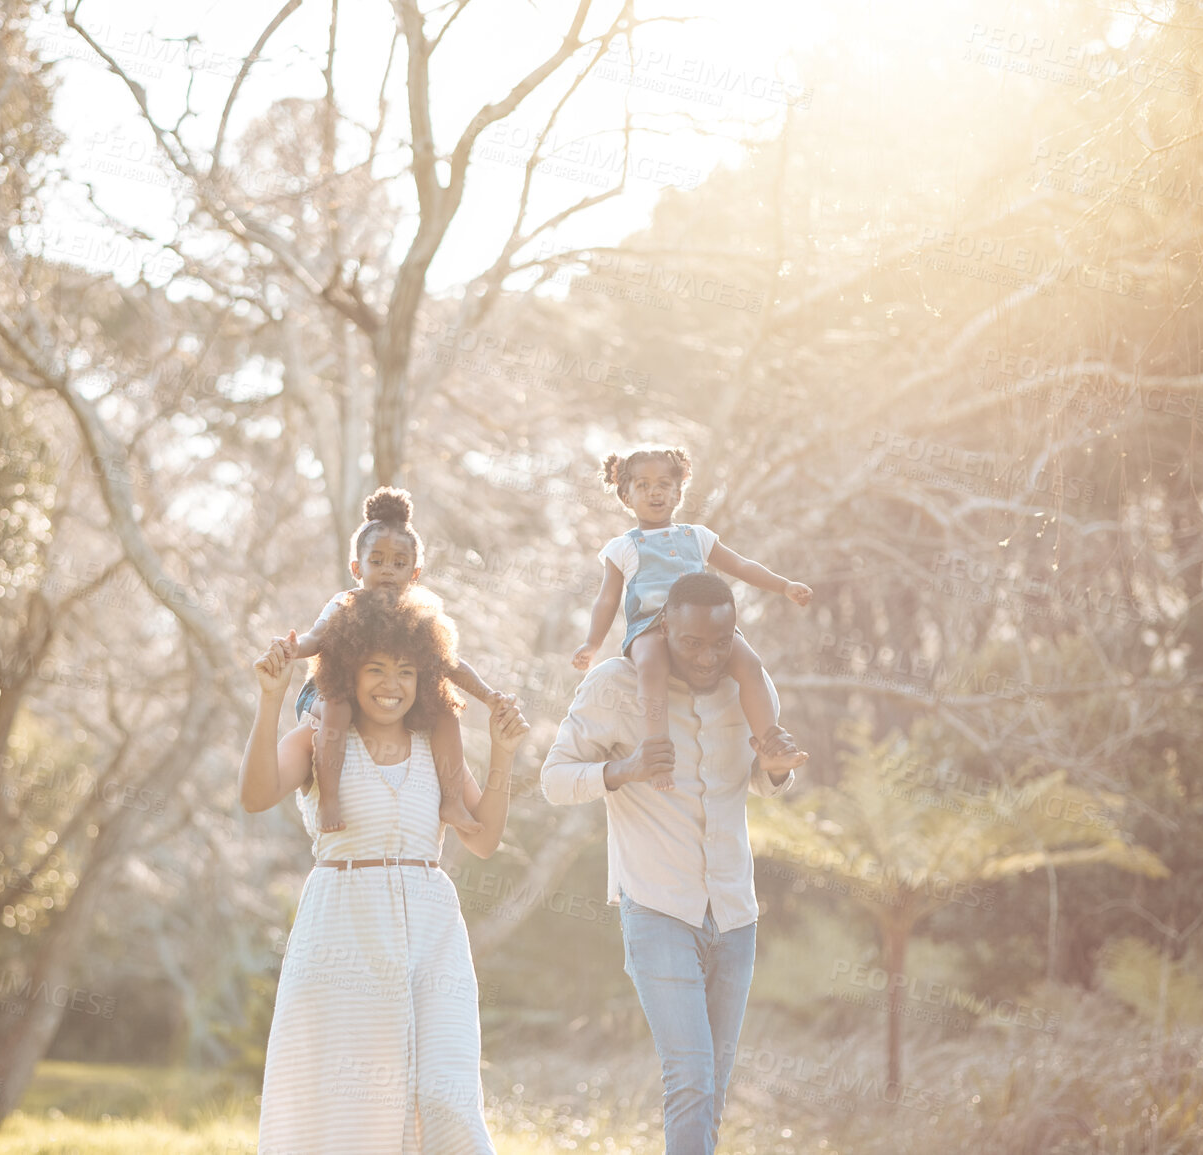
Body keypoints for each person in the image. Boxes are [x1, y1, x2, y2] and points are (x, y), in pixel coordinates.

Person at [242, 587, 529, 1154]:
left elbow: (484, 839)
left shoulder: (436, 748)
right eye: (375, 668)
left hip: (432, 937)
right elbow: (255, 796)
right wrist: (270, 701)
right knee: (350, 1108)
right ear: (348, 669)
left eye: (406, 670)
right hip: (342, 934)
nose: (391, 684)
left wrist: (503, 755)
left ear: (424, 677)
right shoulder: (318, 740)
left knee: (445, 1094)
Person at [543, 572, 807, 1155]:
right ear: (664, 626)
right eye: (692, 643)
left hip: (736, 914)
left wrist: (779, 767)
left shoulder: (751, 687)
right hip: (658, 908)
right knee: (689, 1079)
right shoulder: (613, 687)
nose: (709, 657)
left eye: (722, 642)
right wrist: (624, 770)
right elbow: (554, 780)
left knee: (713, 1088)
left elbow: (762, 784)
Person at [572, 447, 811, 790]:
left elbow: (741, 566)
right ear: (626, 496)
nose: (655, 492)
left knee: (749, 662)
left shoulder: (697, 536)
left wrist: (784, 585)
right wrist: (592, 643)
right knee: (650, 666)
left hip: (703, 628)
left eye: (663, 484)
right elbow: (608, 599)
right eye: (643, 485)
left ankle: (770, 743)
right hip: (650, 627)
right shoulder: (623, 547)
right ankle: (657, 755)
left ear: (678, 492)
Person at [292, 487, 509, 833]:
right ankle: (330, 799)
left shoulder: (417, 615)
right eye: (376, 561)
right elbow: (315, 639)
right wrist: (292, 648)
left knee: (444, 708)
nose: (388, 570)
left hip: (382, 693)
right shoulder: (344, 602)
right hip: (326, 689)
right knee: (338, 707)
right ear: (356, 567)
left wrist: (487, 694)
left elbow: (450, 664)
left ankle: (451, 801)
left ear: (415, 572)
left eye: (399, 563)